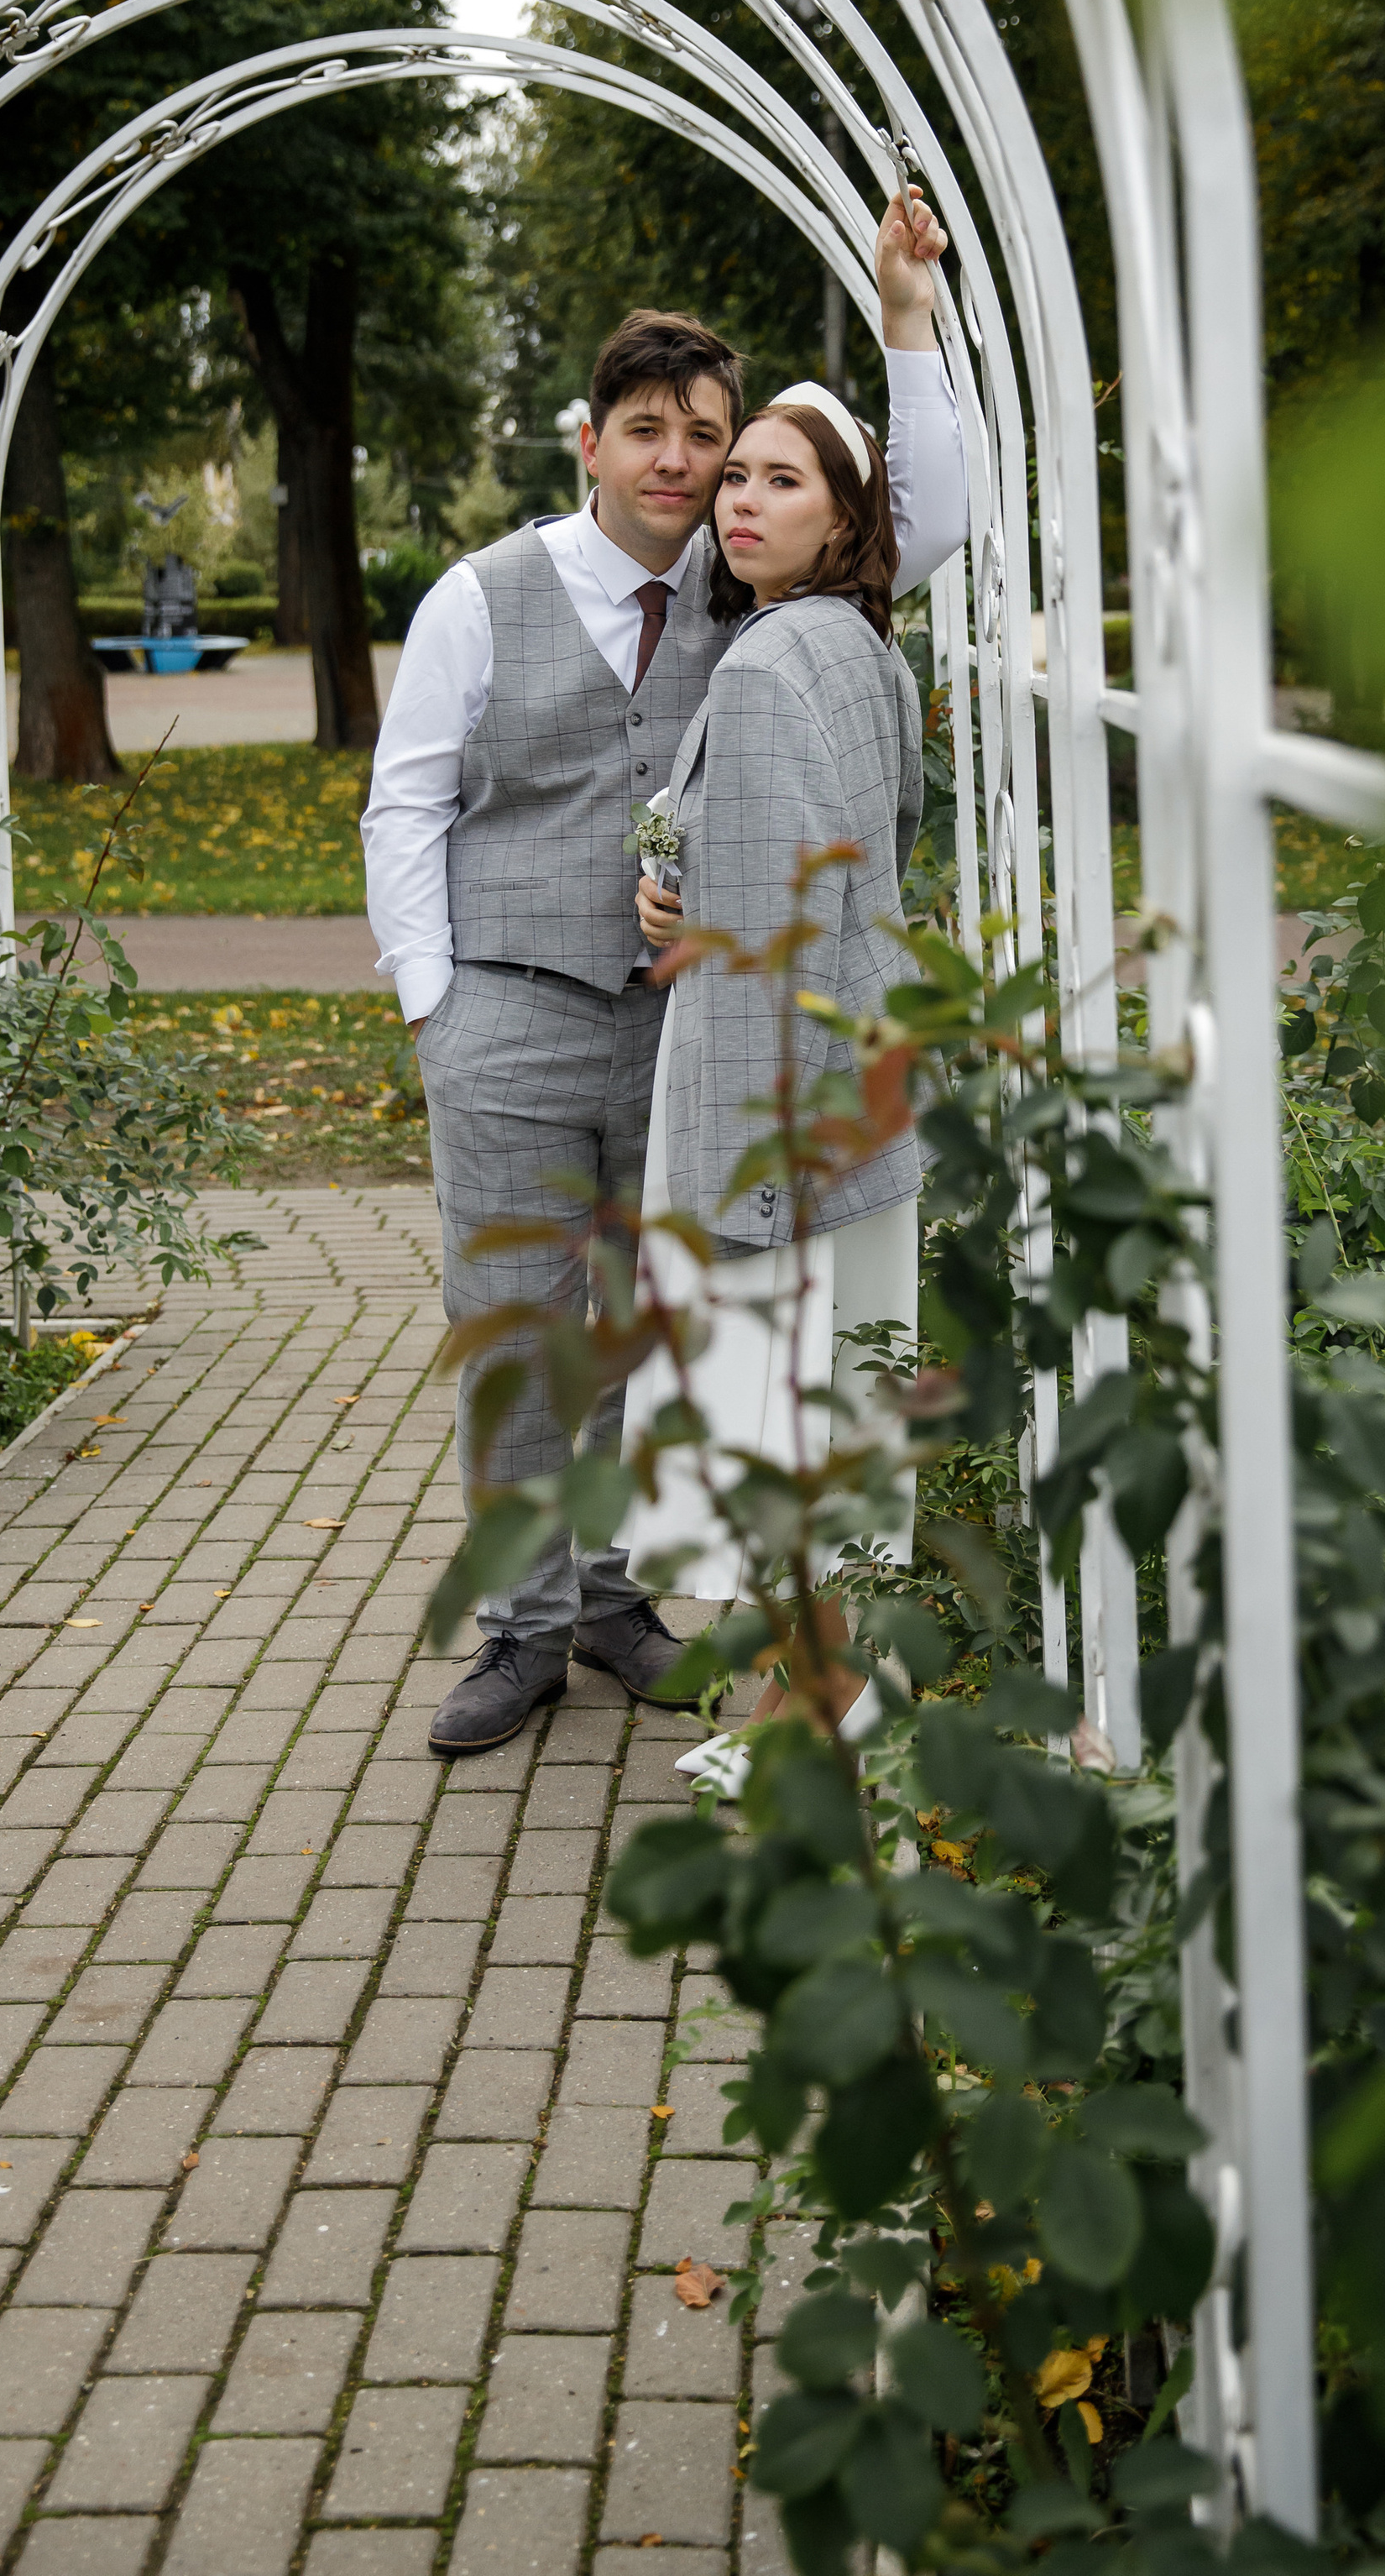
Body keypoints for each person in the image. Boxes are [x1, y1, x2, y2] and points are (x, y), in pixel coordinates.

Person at [361, 196, 965, 1754]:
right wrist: (434, 1004)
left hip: (680, 1030)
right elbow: (407, 800)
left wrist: (906, 322)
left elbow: (924, 512)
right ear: (592, 444)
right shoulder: (478, 597)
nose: (683, 463)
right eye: (651, 431)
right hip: (502, 1014)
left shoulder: (758, 578)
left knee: (650, 1316)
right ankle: (522, 1629)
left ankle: (621, 1599)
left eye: (709, 434)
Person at [617, 385, 925, 1773]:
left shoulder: (755, 671)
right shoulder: (858, 650)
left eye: (781, 481)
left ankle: (812, 1709)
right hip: (856, 1059)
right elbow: (881, 849)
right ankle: (833, 1685)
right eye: (735, 475)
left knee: (772, 1410)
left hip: (763, 1094)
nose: (740, 499)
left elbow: (757, 949)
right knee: (827, 1404)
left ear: (845, 515)